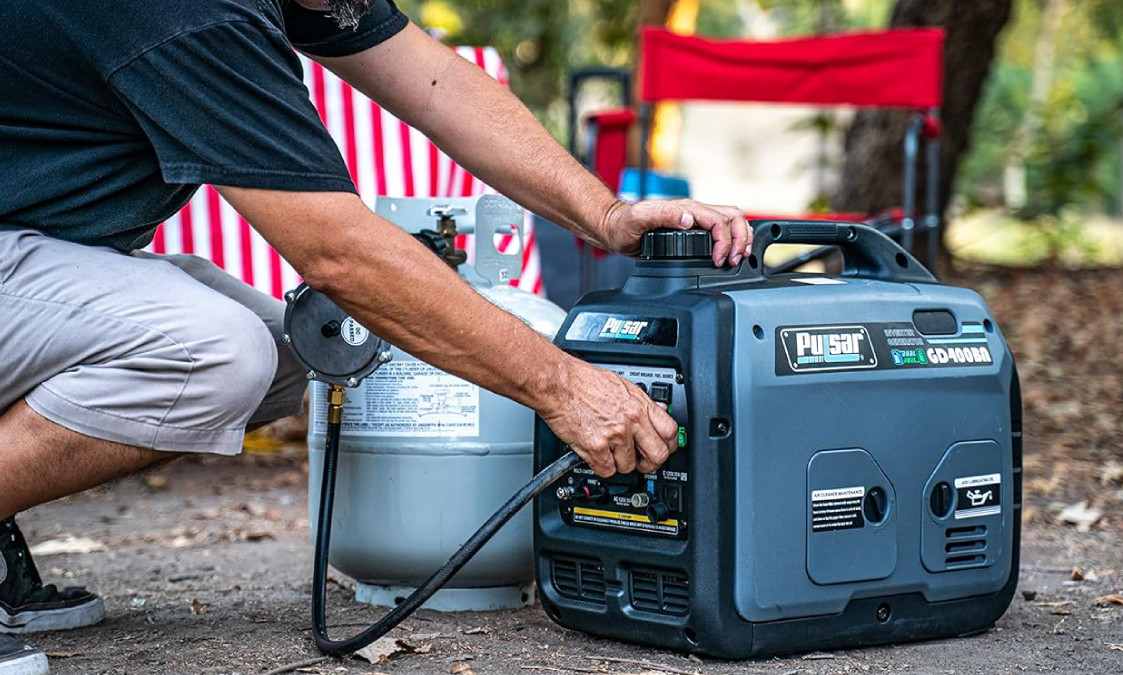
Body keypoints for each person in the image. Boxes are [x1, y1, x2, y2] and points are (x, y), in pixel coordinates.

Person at [0, 0, 751, 671]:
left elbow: (437, 85)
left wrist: (606, 214)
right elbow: (340, 253)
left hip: (27, 239)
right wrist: (564, 388)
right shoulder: (192, 13)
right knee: (213, 353)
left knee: (280, 359)